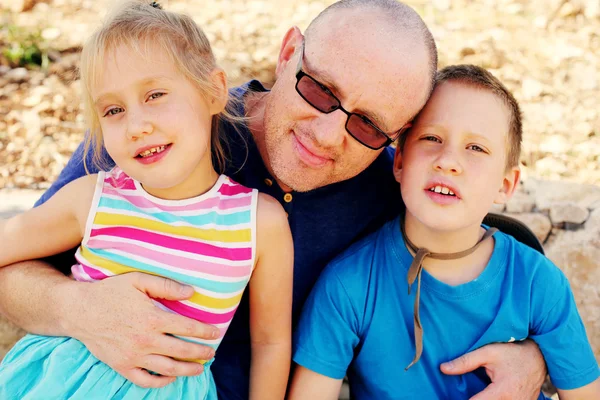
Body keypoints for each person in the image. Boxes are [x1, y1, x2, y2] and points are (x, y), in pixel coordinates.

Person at [0, 1, 548, 399]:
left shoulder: (387, 191)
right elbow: (14, 269)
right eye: (320, 90)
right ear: (288, 53)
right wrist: (80, 309)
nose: (330, 134)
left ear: (398, 139)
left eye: (368, 124)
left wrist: (538, 357)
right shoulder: (161, 133)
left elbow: (499, 249)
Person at [0, 2, 293, 399]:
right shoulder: (94, 199)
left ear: (214, 92)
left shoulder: (259, 222)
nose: (137, 126)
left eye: (155, 94)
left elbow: (271, 343)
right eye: (114, 109)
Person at [288, 64, 600, 400]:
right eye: (432, 138)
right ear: (400, 162)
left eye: (476, 148)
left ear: (505, 185)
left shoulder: (538, 282)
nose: (448, 161)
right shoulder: (348, 285)